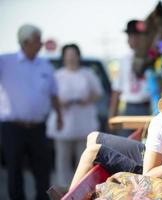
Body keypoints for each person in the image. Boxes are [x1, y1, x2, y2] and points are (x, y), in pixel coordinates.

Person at [0, 24, 62, 200]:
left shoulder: (45, 65)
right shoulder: (5, 62)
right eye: (37, 40)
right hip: (12, 128)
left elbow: (54, 94)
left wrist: (59, 116)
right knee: (14, 169)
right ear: (25, 42)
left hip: (38, 128)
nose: (41, 44)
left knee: (42, 169)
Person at [46, 44, 103, 188]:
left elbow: (98, 92)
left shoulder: (87, 73)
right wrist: (60, 103)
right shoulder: (57, 75)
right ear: (64, 57)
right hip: (64, 120)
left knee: (84, 156)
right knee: (62, 158)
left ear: (78, 56)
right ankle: (64, 188)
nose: (71, 58)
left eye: (73, 54)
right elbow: (50, 95)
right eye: (68, 55)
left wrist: (87, 99)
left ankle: (82, 186)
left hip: (83, 120)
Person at [109, 19, 151, 136]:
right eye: (129, 36)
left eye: (135, 36)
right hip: (129, 108)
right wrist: (112, 115)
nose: (130, 39)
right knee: (126, 145)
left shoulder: (152, 58)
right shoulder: (124, 60)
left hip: (147, 107)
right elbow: (117, 89)